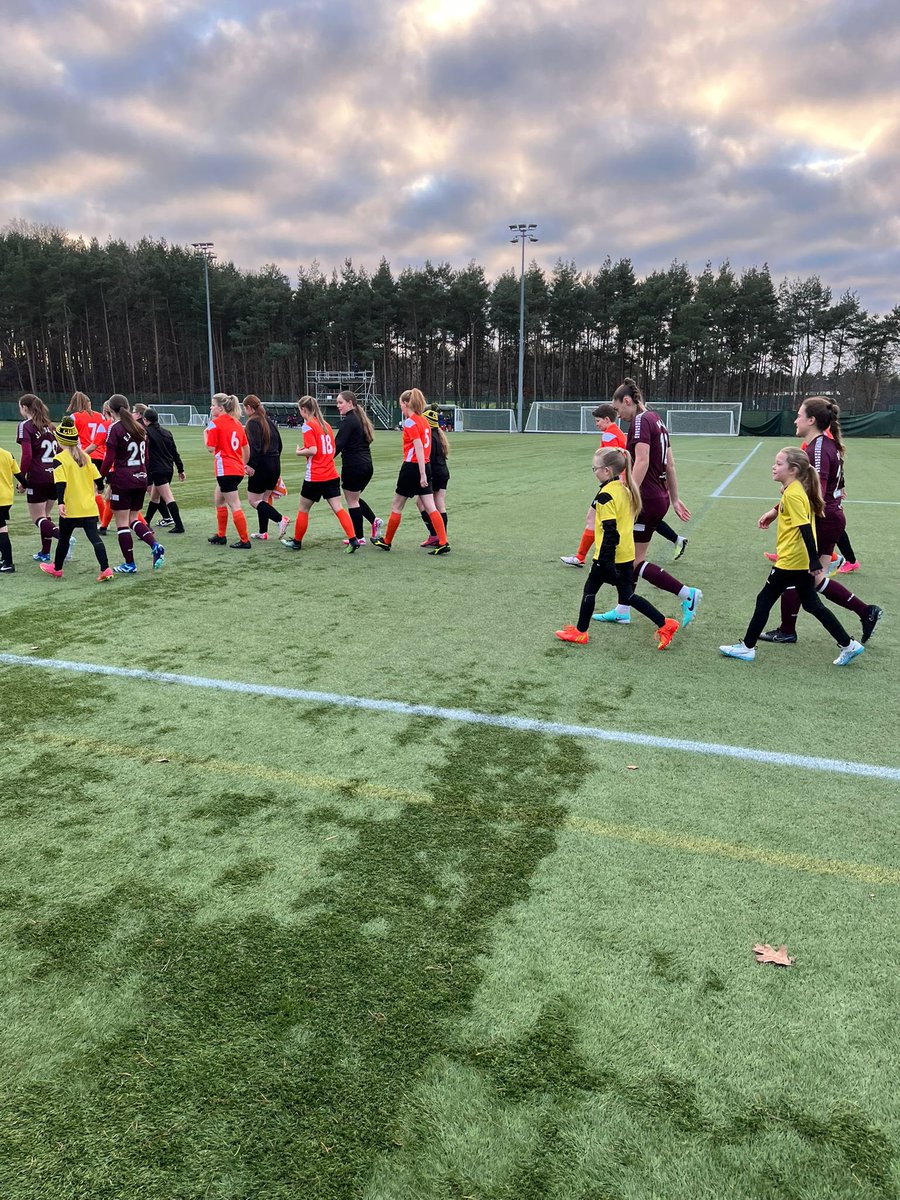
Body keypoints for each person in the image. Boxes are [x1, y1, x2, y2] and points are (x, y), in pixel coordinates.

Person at [719, 447, 864, 666]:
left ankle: (747, 648)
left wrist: (814, 559)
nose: (773, 467)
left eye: (778, 463)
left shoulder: (794, 494)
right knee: (812, 605)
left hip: (791, 560)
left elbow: (804, 527)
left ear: (793, 469)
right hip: (799, 559)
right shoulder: (794, 490)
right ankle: (848, 644)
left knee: (764, 599)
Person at [758, 397, 882, 646]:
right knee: (812, 579)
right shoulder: (826, 445)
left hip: (823, 520)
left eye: (799, 415)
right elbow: (834, 487)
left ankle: (790, 630)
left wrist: (778, 510)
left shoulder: (816, 449)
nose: (796, 419)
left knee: (795, 574)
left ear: (811, 420)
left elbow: (814, 494)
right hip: (831, 518)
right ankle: (864, 612)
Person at [594, 379, 700, 626]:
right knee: (629, 556)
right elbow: (670, 464)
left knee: (634, 560)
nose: (618, 415)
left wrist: (624, 493)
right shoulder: (658, 421)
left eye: (618, 409)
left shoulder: (641, 421)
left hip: (646, 498)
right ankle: (622, 609)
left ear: (628, 401)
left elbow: (641, 461)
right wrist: (674, 498)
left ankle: (687, 594)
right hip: (658, 496)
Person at [555, 448, 679, 648]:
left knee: (595, 591)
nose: (593, 471)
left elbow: (611, 532)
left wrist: (604, 562)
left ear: (606, 471)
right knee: (618, 594)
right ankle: (664, 624)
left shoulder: (606, 496)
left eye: (594, 468)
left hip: (609, 556)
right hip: (625, 554)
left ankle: (581, 633)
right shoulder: (624, 488)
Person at [370, 388, 449, 555]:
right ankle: (443, 541)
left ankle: (387, 541)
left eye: (401, 405)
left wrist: (421, 474)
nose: (401, 408)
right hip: (425, 465)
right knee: (430, 506)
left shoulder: (410, 422)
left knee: (397, 505)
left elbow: (419, 447)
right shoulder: (424, 422)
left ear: (407, 404)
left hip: (413, 467)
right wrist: (424, 471)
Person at [280, 395, 360, 552]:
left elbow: (313, 450)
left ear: (303, 410)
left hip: (316, 475)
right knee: (338, 508)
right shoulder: (326, 425)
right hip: (331, 473)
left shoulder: (308, 425)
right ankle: (353, 539)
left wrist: (299, 452)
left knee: (303, 508)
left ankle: (297, 542)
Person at [38, 417, 113, 582]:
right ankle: (105, 568)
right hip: (89, 507)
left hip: (72, 507)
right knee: (95, 538)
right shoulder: (85, 457)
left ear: (60, 440)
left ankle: (57, 568)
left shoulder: (60, 459)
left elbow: (61, 484)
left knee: (64, 538)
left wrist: (61, 503)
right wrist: (99, 489)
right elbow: (98, 478)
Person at [101, 395, 165, 574]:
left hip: (123, 479)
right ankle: (155, 545)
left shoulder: (115, 428)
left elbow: (109, 458)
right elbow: (146, 457)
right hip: (141, 477)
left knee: (122, 523)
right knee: (133, 519)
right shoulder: (140, 428)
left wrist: (101, 477)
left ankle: (129, 564)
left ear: (111, 410)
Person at [16, 394, 62, 564]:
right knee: (46, 515)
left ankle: (63, 538)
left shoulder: (26, 426)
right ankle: (45, 552)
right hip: (54, 475)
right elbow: (61, 452)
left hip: (38, 476)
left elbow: (27, 455)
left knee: (38, 518)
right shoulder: (51, 427)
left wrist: (22, 479)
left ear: (25, 408)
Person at [334, 391, 382, 545]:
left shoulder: (349, 421)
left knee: (352, 501)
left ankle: (359, 537)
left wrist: (325, 460)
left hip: (354, 465)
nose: (338, 406)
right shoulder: (360, 419)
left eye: (340, 402)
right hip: (367, 465)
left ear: (350, 403)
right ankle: (374, 521)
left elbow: (338, 445)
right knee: (354, 499)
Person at [205, 392, 252, 549]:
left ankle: (245, 540)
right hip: (236, 469)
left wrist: (205, 435)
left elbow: (211, 448)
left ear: (220, 407)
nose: (211, 408)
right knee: (219, 500)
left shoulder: (215, 423)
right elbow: (246, 449)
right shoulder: (238, 424)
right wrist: (243, 464)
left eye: (213, 405)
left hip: (225, 469)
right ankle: (221, 535)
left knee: (235, 505)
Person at [243, 395, 289, 540]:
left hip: (262, 466)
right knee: (263, 499)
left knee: (254, 500)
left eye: (245, 408)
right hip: (275, 464)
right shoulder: (269, 421)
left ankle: (280, 519)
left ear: (249, 408)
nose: (244, 412)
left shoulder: (252, 423)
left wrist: (251, 465)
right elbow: (280, 445)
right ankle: (263, 532)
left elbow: (254, 447)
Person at [67, 391, 108, 523]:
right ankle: (98, 518)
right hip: (101, 455)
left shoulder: (74, 417)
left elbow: (71, 438)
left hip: (85, 454)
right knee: (95, 488)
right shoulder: (100, 416)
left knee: (91, 490)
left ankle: (100, 520)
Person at [142, 409, 186, 533]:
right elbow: (174, 453)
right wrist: (180, 469)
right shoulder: (167, 433)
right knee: (155, 497)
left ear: (145, 420)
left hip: (157, 469)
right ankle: (146, 521)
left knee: (167, 497)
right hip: (168, 468)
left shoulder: (146, 433)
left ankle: (179, 525)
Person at [417, 407, 449, 547]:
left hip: (435, 473)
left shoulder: (429, 437)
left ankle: (436, 535)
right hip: (443, 472)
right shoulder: (440, 435)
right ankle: (441, 536)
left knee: (422, 503)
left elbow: (427, 458)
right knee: (439, 502)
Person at [0, 443, 25, 573]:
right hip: (6, 498)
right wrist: (24, 486)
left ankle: (8, 563)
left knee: (1, 529)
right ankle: (5, 559)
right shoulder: (7, 454)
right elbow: (20, 476)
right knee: (1, 527)